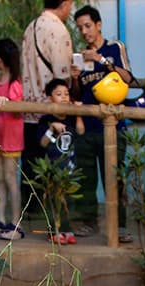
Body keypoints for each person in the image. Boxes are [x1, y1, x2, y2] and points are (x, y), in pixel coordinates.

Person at [70, 5, 134, 241]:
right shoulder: (80, 55)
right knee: (86, 178)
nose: (84, 32)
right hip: (86, 126)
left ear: (98, 25)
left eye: (88, 26)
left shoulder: (115, 48)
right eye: (80, 28)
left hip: (114, 125)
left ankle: (120, 226)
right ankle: (88, 222)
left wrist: (101, 59)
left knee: (115, 178)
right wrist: (75, 79)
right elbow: (76, 94)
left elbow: (128, 78)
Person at [21, 0, 74, 215]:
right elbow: (62, 75)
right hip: (51, 114)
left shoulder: (31, 27)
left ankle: (30, 212)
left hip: (28, 108)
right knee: (54, 167)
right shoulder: (58, 30)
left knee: (30, 167)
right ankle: (55, 217)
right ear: (65, 3)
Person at [37, 78, 86, 244]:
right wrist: (52, 128)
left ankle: (67, 230)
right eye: (59, 94)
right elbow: (43, 143)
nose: (64, 97)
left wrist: (79, 114)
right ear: (50, 98)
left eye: (66, 94)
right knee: (53, 199)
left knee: (69, 200)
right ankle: (54, 230)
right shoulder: (45, 120)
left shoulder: (72, 117)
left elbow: (80, 131)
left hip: (70, 167)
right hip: (53, 166)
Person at [0, 38, 25, 241]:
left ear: (0, 60)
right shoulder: (1, 80)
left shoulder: (15, 82)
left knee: (11, 179)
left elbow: (18, 110)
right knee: (0, 179)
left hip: (10, 138)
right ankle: (0, 219)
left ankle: (15, 222)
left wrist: (8, 102)